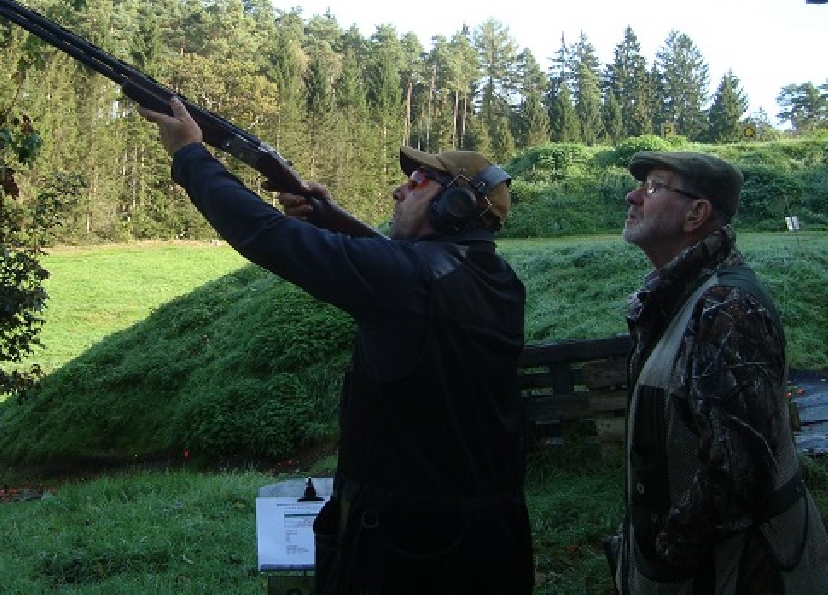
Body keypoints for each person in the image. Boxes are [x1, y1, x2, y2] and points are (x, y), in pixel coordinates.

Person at [139, 97, 535, 594]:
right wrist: (328, 218)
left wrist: (190, 156)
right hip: (489, 540)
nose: (399, 190)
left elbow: (266, 234)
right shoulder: (498, 280)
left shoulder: (410, 280)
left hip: (409, 552)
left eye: (418, 182)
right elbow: (400, 268)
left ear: (453, 206)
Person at [612, 150, 828, 594]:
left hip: (743, 574)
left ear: (696, 214)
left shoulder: (726, 308)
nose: (632, 196)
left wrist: (664, 554)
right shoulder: (682, 296)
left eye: (653, 187)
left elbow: (738, 477)